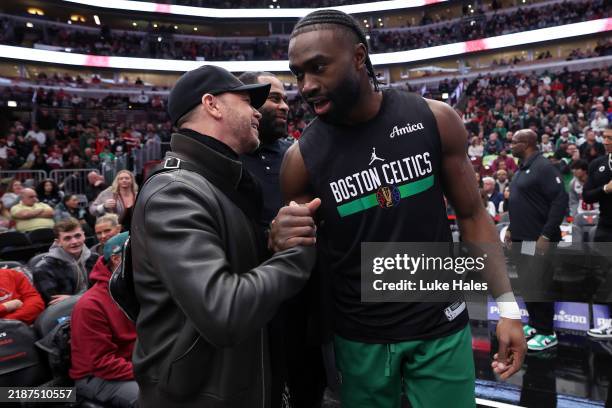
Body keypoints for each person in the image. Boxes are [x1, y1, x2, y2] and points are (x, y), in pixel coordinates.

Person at [283, 10, 525, 408]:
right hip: (359, 338)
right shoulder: (301, 160)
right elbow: (295, 254)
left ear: (359, 57)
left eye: (318, 68)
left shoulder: (434, 119)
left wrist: (509, 309)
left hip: (440, 327)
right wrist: (278, 240)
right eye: (298, 74)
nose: (307, 86)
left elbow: (473, 217)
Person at [131, 65, 318, 408]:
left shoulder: (217, 184)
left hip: (231, 384)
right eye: (247, 101)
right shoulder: (175, 193)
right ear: (212, 105)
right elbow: (224, 310)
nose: (255, 112)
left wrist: (273, 239)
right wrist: (296, 253)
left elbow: (231, 267)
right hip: (200, 395)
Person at [239, 71, 326, 407]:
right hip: (260, 298)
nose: (284, 106)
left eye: (286, 99)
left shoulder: (299, 153)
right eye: (274, 97)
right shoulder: (227, 162)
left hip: (308, 295)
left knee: (310, 381)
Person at [505, 129, 568, 351]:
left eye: (514, 142)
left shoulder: (543, 167)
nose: (510, 146)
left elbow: (561, 200)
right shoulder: (522, 169)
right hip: (523, 239)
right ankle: (534, 324)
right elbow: (521, 203)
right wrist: (512, 229)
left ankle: (547, 332)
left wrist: (546, 235)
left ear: (527, 143)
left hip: (539, 240)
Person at [70, 232, 138, 408]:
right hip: (98, 377)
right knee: (160, 399)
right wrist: (150, 371)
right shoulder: (90, 305)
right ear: (117, 260)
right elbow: (101, 364)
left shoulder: (137, 289)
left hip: (135, 364)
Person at [584, 128, 612, 338]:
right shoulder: (597, 164)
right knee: (605, 275)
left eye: (610, 138)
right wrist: (605, 189)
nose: (606, 141)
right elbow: (587, 196)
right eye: (606, 138)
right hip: (605, 226)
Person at [32, 218, 97, 305]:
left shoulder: (95, 258)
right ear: (58, 242)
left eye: (78, 236)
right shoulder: (43, 269)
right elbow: (55, 304)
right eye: (67, 238)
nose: (74, 241)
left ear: (84, 235)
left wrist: (74, 298)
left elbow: (106, 290)